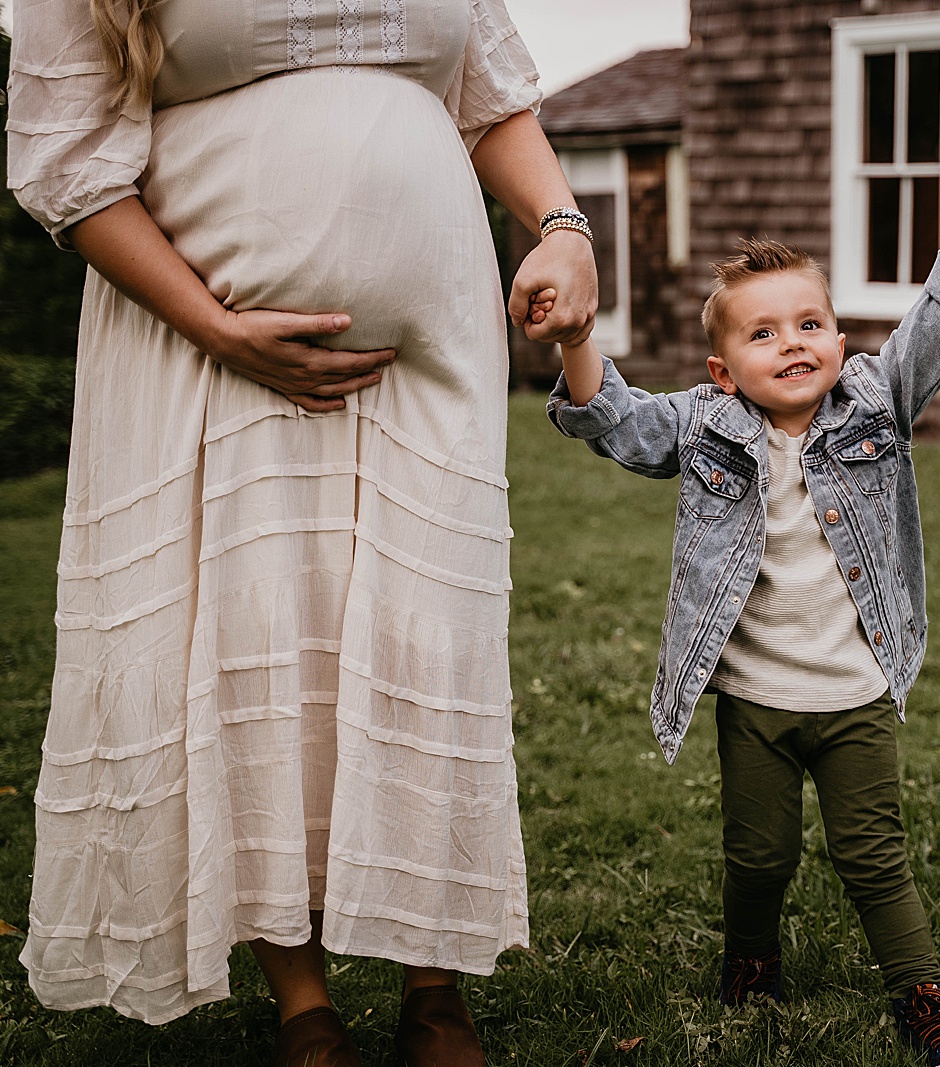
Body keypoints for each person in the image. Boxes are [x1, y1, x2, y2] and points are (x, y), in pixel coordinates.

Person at [6, 1, 597, 1064]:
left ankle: (434, 979)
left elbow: (490, 100)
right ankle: (302, 999)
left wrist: (564, 225)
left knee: (426, 629)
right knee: (256, 639)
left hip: (432, 354)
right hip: (203, 346)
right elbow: (69, 165)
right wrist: (217, 324)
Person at [546, 228, 940, 1067]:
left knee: (874, 857)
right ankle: (752, 960)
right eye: (762, 333)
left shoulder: (877, 397)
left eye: (808, 323)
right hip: (756, 699)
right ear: (724, 370)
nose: (791, 342)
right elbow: (614, 424)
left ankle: (924, 997)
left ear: (840, 339)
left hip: (855, 694)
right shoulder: (706, 425)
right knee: (758, 857)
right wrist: (579, 338)